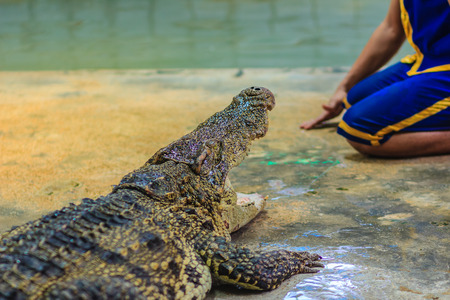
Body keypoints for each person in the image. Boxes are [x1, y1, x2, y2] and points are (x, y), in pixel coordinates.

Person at [300, 0, 450, 158]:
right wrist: (344, 87)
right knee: (353, 99)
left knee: (360, 130)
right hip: (429, 60)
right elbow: (390, 29)